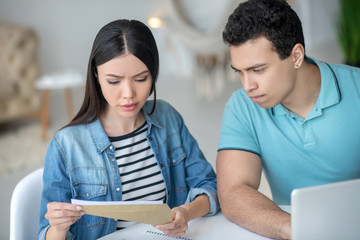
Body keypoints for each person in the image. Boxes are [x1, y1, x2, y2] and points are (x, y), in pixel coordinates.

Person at [38, 19, 219, 240]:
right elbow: (45, 235)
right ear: (96, 76)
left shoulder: (168, 118)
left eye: (141, 79)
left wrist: (186, 212)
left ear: (154, 73)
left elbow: (208, 184)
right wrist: (58, 227)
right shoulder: (66, 145)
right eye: (114, 81)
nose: (128, 94)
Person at [216, 0, 360, 239]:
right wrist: (296, 230)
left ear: (296, 56)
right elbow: (233, 192)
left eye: (258, 70)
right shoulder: (242, 106)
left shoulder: (356, 89)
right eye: (239, 72)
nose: (248, 86)